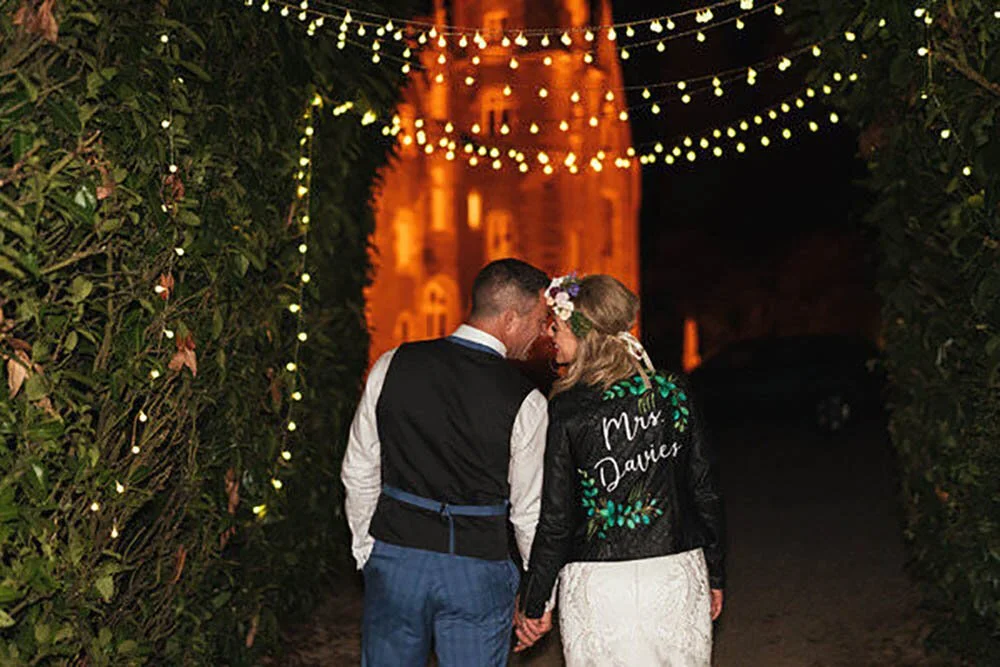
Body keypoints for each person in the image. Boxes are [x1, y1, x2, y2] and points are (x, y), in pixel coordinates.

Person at [341, 258, 551, 667]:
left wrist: (367, 549)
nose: (542, 333)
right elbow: (530, 513)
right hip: (477, 569)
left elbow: (360, 468)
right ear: (509, 318)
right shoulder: (526, 401)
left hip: (396, 554)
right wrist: (539, 597)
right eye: (538, 319)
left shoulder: (392, 363)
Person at [514, 274, 726, 666]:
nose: (550, 337)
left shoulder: (567, 408)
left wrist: (535, 599)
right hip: (673, 574)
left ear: (583, 333)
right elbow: (704, 491)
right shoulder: (673, 393)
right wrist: (715, 573)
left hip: (600, 583)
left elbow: (556, 518)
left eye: (556, 327)